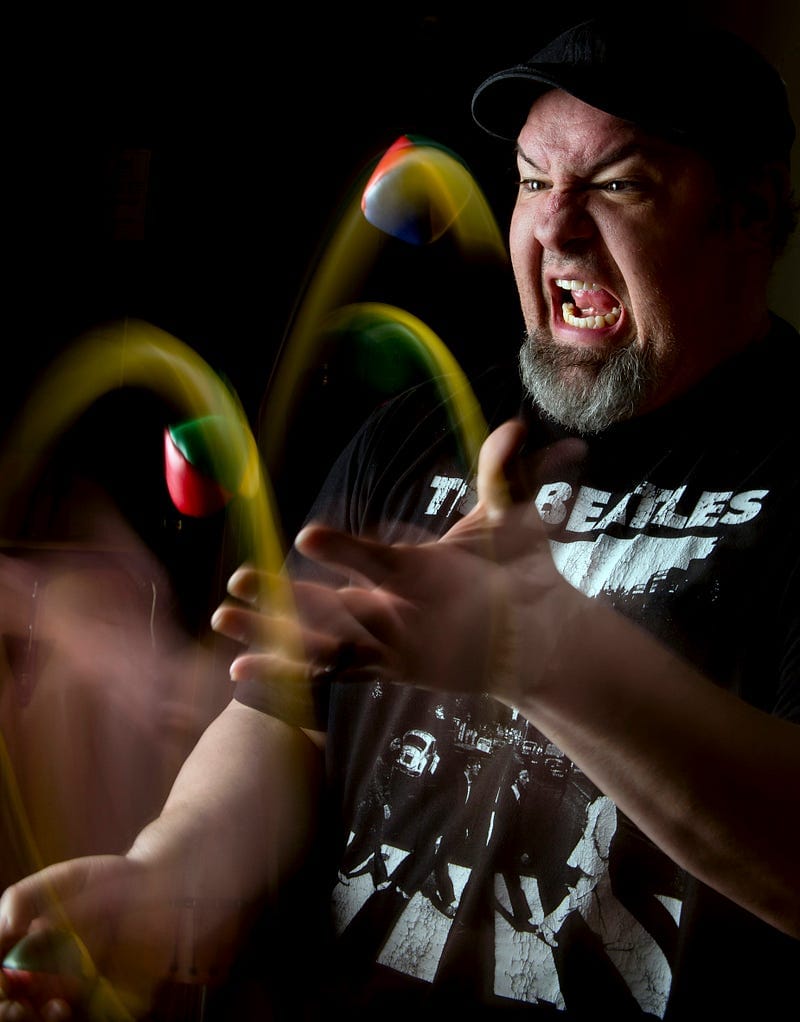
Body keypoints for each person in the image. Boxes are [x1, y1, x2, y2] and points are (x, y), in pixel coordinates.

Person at [1, 13, 799, 1020]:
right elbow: (281, 717)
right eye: (529, 181)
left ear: (751, 215)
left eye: (617, 184)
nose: (552, 227)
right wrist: (164, 871)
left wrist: (543, 655)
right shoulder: (412, 434)